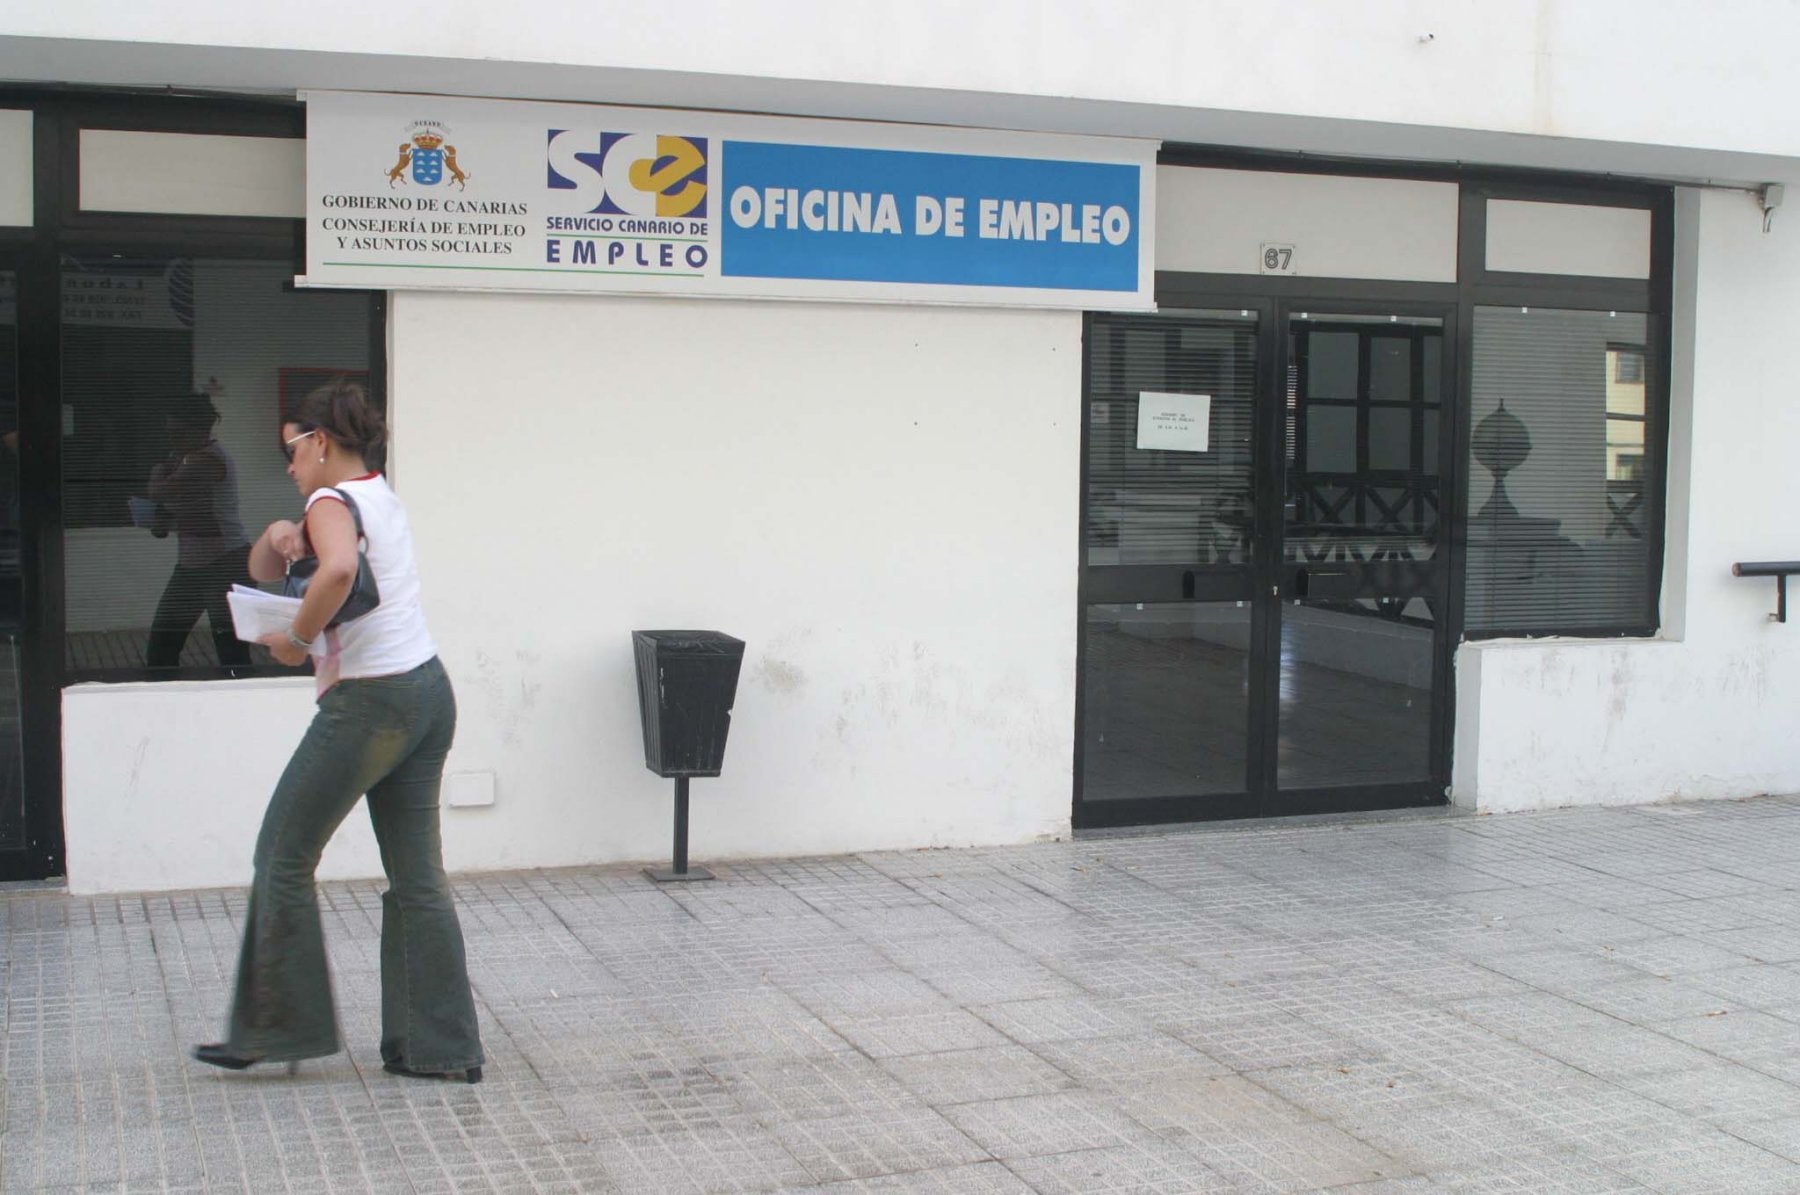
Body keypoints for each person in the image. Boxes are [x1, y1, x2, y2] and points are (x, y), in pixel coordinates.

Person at [191, 378, 483, 1084]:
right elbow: (270, 569)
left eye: (292, 450)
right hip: (426, 692)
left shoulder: (329, 501)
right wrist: (272, 538)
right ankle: (440, 1046)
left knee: (282, 855)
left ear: (320, 442)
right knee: (418, 877)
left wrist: (295, 639)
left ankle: (276, 1027)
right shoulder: (376, 494)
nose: (288, 466)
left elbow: (342, 569)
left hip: (369, 704)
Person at [143, 394, 254, 668]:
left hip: (226, 563)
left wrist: (158, 471)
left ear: (200, 431)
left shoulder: (209, 459)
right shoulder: (180, 459)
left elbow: (160, 490)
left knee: (231, 652)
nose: (173, 441)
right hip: (191, 566)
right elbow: (165, 517)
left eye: (179, 434)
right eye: (169, 434)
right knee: (161, 648)